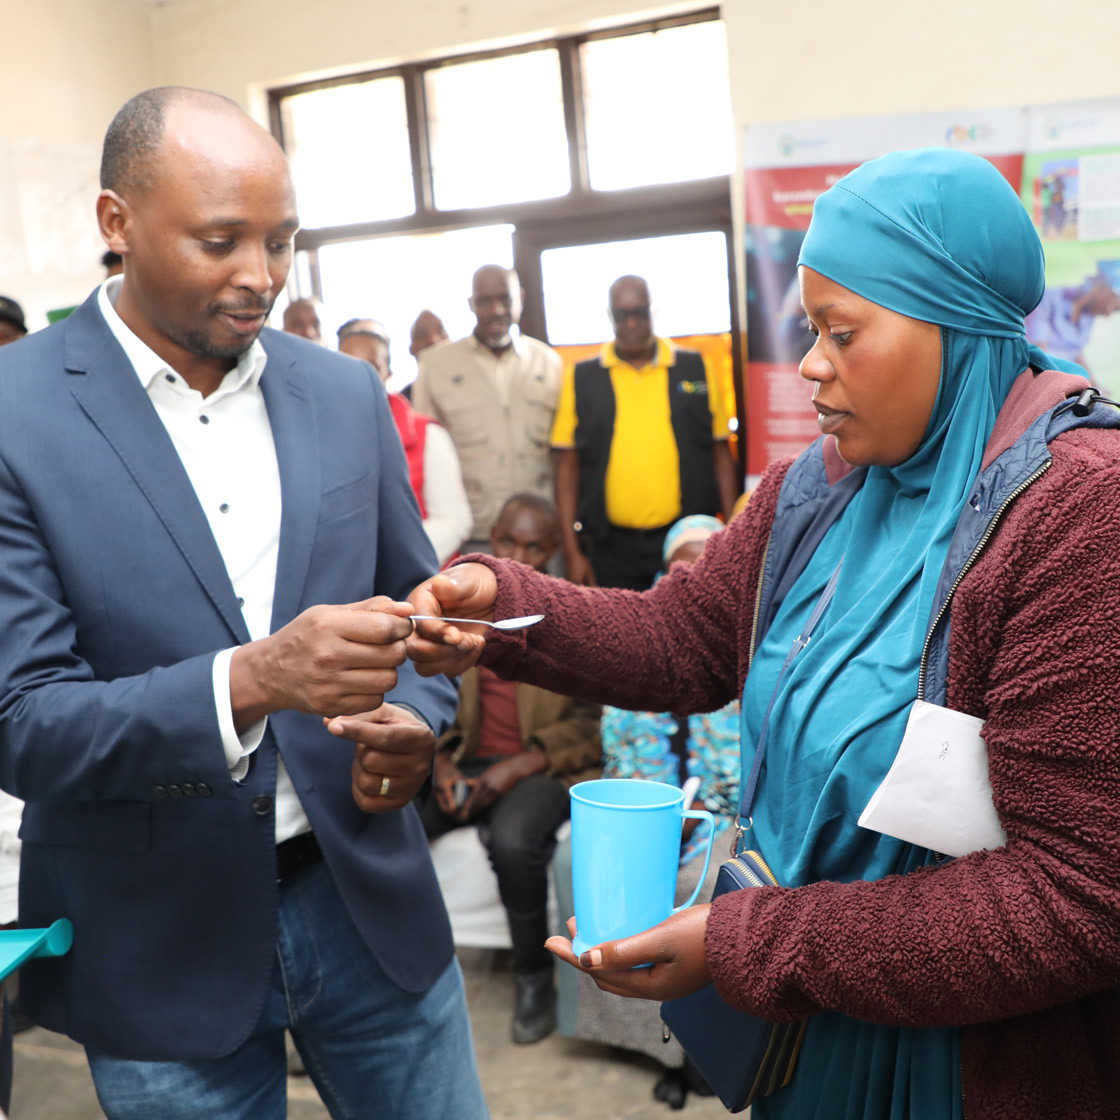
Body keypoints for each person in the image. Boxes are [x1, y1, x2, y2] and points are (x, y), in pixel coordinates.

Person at [401, 148, 1120, 1119]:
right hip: (811, 1031)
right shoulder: (820, 489)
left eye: (840, 332)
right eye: (806, 327)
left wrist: (751, 942)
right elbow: (680, 637)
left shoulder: (1076, 514)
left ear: (952, 330)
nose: (809, 364)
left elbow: (1074, 896)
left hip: (968, 1071)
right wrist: (501, 604)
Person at [0, 86, 486, 1120]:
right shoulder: (15, 416)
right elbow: (22, 722)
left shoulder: (345, 395)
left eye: (281, 239)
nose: (259, 276)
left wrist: (418, 716)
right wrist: (256, 678)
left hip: (366, 900)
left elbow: (413, 611)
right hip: (155, 937)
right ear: (115, 222)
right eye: (221, 241)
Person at [551, 515, 736, 1109]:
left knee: (707, 881)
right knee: (570, 862)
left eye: (706, 561)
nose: (692, 573)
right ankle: (649, 1043)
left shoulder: (751, 643)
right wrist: (660, 814)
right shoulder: (640, 647)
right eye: (680, 562)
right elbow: (623, 755)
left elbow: (754, 754)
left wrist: (700, 808)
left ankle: (700, 1047)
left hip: (724, 811)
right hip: (649, 808)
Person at [418, 493, 601, 1045]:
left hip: (544, 766)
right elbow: (428, 693)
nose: (519, 554)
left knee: (515, 838)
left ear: (555, 549)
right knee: (396, 818)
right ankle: (400, 972)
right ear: (490, 540)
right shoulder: (461, 607)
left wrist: (518, 767)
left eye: (535, 545)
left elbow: (593, 723)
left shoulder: (576, 612)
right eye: (508, 541)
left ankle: (531, 978)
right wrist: (443, 763)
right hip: (470, 756)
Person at [551, 275, 738, 590]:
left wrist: (733, 534)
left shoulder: (694, 368)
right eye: (623, 315)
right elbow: (566, 470)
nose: (632, 323)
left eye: (640, 312)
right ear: (610, 316)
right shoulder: (582, 377)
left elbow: (720, 454)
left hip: (685, 540)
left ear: (653, 311)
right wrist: (572, 553)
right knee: (618, 635)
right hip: (610, 546)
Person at [412, 265, 562, 553]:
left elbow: (562, 455)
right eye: (484, 301)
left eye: (505, 299)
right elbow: (424, 453)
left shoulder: (548, 362)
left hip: (539, 536)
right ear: (471, 304)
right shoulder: (435, 365)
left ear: (519, 299)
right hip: (475, 533)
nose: (496, 310)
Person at [338, 318, 471, 564]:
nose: (356, 377)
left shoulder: (426, 435)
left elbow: (454, 521)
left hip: (417, 578)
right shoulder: (320, 435)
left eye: (370, 368)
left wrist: (390, 555)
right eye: (345, 366)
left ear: (387, 373)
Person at [1025, 268, 1120, 380]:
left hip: (1061, 378)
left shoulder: (1088, 315)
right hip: (1041, 378)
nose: (1108, 313)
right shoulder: (1047, 300)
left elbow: (1075, 352)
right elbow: (1038, 357)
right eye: (1114, 307)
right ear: (1102, 288)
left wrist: (1095, 386)